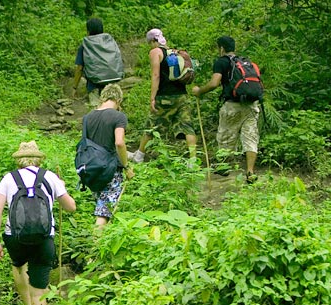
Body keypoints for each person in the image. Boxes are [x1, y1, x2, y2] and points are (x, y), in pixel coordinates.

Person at [0, 141, 76, 305]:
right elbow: (71, 207)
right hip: (44, 239)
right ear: (39, 159)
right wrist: (60, 187)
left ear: (18, 160)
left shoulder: (9, 178)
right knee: (40, 292)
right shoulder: (50, 177)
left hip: (14, 238)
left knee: (18, 265)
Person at [191, 35, 261, 183]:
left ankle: (224, 167)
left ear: (221, 48)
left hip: (232, 106)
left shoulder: (221, 62)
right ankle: (250, 172)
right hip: (251, 105)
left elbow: (214, 83)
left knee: (226, 136)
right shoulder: (245, 62)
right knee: (250, 137)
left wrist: (199, 91)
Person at [132, 28, 198, 164]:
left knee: (152, 125)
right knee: (187, 127)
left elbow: (156, 75)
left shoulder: (155, 52)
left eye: (150, 43)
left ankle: (139, 156)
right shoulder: (174, 52)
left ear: (153, 40)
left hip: (165, 97)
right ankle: (193, 161)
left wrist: (152, 98)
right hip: (182, 96)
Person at [80, 83, 132, 226]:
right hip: (109, 169)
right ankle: (97, 244)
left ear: (103, 98)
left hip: (91, 168)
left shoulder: (88, 117)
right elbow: (119, 142)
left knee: (101, 205)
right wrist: (126, 166)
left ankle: (100, 240)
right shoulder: (118, 117)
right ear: (119, 100)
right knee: (104, 212)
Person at [71, 17, 124, 107]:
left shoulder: (85, 45)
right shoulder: (110, 42)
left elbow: (79, 68)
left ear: (88, 31)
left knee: (96, 110)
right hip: (112, 84)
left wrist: (74, 87)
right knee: (112, 110)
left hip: (94, 85)